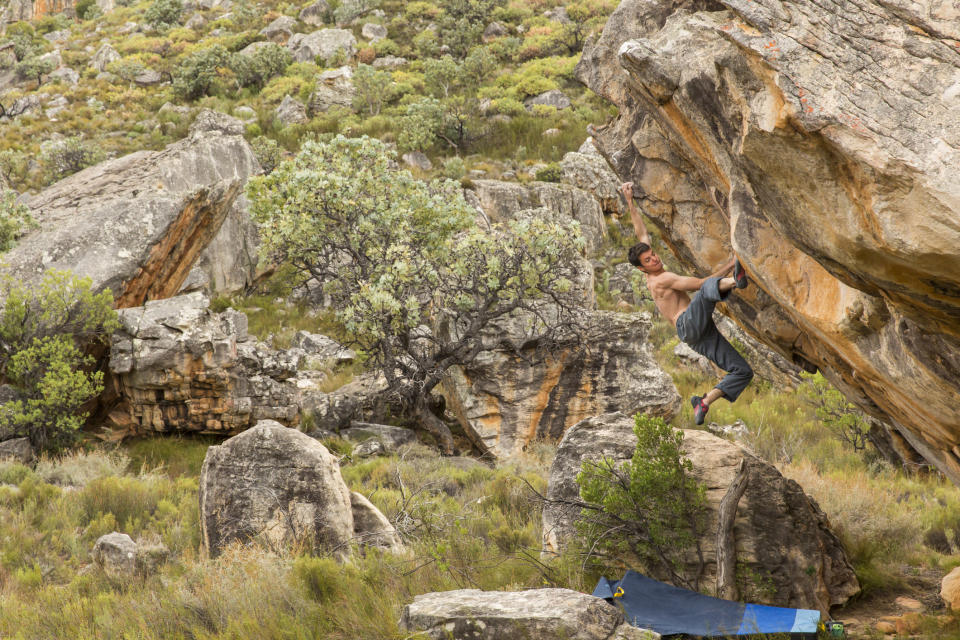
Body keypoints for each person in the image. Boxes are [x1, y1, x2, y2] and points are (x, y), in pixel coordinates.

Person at [620, 181, 753, 425]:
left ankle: (703, 402)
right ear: (642, 269)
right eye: (649, 260)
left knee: (742, 370)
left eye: (653, 255)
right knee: (704, 292)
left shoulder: (652, 267)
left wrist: (629, 201)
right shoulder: (662, 280)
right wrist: (733, 261)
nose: (655, 259)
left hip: (696, 333)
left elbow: (642, 234)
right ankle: (735, 281)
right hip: (687, 324)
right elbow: (702, 283)